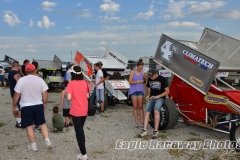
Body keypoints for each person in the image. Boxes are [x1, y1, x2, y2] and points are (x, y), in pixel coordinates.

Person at [13, 63, 52, 151]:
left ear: (25, 71)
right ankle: (47, 141)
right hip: (38, 104)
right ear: (35, 70)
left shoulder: (21, 80)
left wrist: (14, 105)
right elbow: (45, 93)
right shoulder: (40, 80)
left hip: (26, 106)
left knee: (29, 126)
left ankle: (33, 146)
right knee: (42, 123)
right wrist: (44, 103)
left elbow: (16, 94)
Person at [66, 65, 90, 160]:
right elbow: (88, 95)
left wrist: (73, 96)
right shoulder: (85, 82)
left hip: (76, 110)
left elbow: (68, 97)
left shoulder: (71, 84)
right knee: (81, 129)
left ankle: (83, 153)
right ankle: (83, 150)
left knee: (78, 132)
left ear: (72, 74)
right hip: (84, 109)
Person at [139, 69, 169, 139]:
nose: (151, 78)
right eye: (150, 76)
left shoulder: (162, 79)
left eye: (152, 76)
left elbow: (167, 91)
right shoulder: (149, 79)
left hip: (160, 98)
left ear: (155, 74)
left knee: (156, 111)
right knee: (147, 112)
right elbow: (148, 88)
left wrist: (159, 96)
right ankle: (145, 130)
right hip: (152, 98)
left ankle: (155, 131)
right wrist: (148, 96)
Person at [128, 59, 147, 128]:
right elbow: (130, 82)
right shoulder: (132, 72)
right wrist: (138, 81)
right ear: (137, 66)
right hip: (133, 90)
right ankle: (136, 122)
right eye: (139, 68)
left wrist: (147, 86)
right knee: (135, 107)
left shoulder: (143, 72)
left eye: (141, 68)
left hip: (140, 91)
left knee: (141, 106)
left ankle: (142, 122)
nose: (140, 69)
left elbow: (147, 79)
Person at [8, 61, 22, 128]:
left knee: (15, 107)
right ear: (18, 66)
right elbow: (19, 83)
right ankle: (20, 123)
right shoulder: (16, 73)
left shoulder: (10, 73)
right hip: (18, 93)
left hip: (12, 92)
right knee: (19, 108)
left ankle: (18, 121)